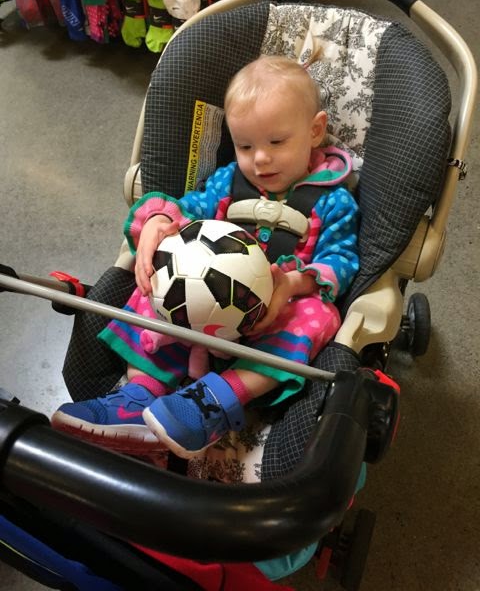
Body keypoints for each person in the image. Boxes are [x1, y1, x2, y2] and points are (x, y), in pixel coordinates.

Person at [52, 55, 360, 459]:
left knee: (317, 316)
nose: (260, 158)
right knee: (155, 280)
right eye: (245, 146)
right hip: (197, 305)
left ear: (315, 131)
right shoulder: (228, 183)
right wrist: (159, 221)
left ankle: (215, 401)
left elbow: (340, 261)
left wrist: (291, 284)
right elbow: (189, 208)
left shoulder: (334, 201)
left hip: (273, 311)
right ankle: (137, 395)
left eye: (276, 142)